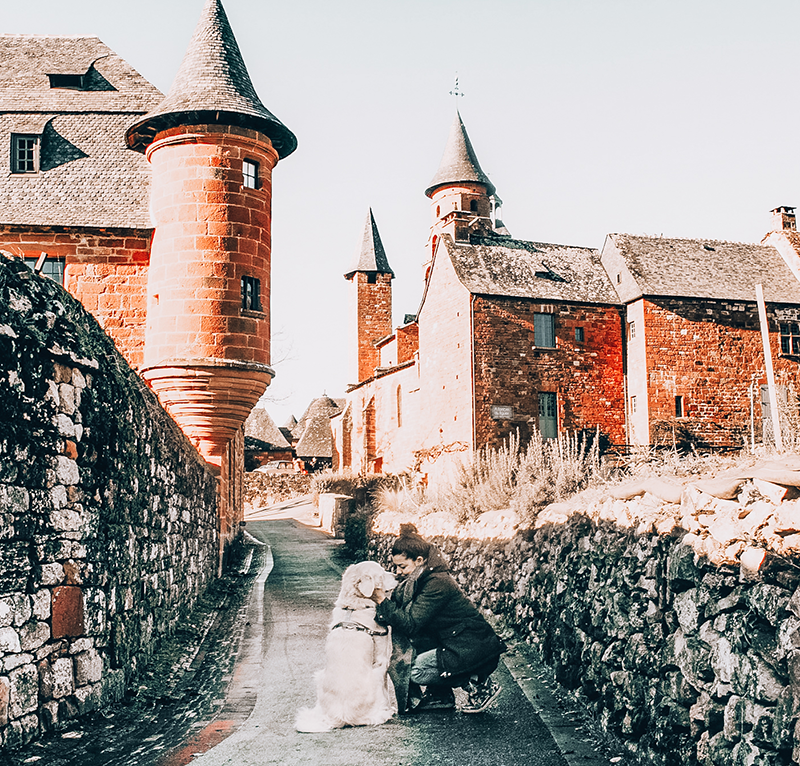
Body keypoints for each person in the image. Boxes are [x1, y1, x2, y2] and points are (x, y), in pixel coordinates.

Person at [370, 529, 506, 714]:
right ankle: (440, 695)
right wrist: (384, 608)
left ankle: (479, 684)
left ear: (419, 561)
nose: (398, 572)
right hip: (454, 641)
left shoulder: (437, 583)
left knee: (414, 670)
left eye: (402, 566)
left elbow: (410, 624)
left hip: (472, 647)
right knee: (416, 650)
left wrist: (381, 601)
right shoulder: (418, 579)